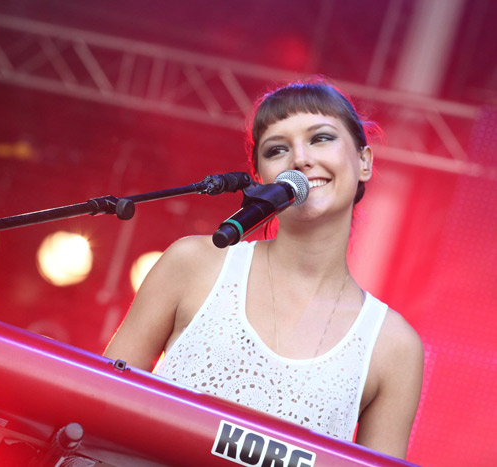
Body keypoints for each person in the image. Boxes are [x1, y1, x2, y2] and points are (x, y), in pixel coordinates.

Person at [103, 81, 424, 459]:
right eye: (277, 149)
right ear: (260, 178)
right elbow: (98, 408)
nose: (300, 159)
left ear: (364, 161)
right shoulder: (194, 264)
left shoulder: (394, 345)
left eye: (321, 138)